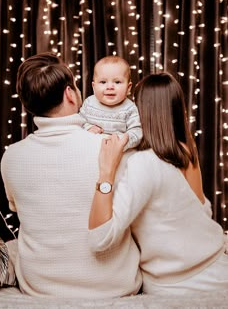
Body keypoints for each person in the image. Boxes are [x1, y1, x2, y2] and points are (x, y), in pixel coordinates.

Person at [0, 52, 142, 298]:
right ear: (69, 94)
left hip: (40, 286)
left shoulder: (10, 157)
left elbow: (16, 208)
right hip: (115, 284)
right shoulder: (112, 149)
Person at [88, 72, 228, 295]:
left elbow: (100, 238)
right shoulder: (185, 147)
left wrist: (106, 172)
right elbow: (204, 209)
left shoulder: (141, 163)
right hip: (218, 265)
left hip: (179, 283)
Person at [79, 55, 142, 151]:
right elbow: (79, 122)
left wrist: (121, 142)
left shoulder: (129, 108)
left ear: (128, 87)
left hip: (118, 152)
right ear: (94, 86)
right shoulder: (89, 103)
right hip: (90, 149)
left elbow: (137, 132)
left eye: (117, 82)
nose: (110, 87)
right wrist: (88, 128)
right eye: (103, 82)